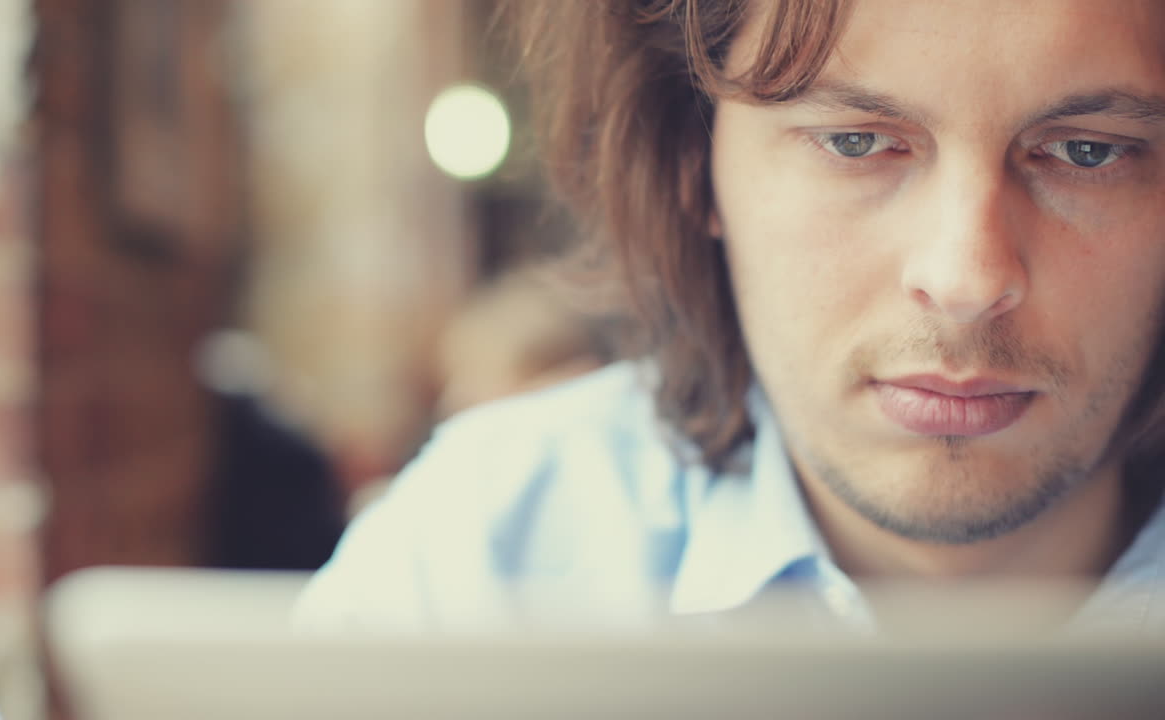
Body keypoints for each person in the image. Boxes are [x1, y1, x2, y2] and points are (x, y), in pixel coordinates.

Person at [294, 0, 1165, 635]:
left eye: (1088, 152)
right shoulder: (483, 554)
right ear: (691, 165)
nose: (968, 278)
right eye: (855, 142)